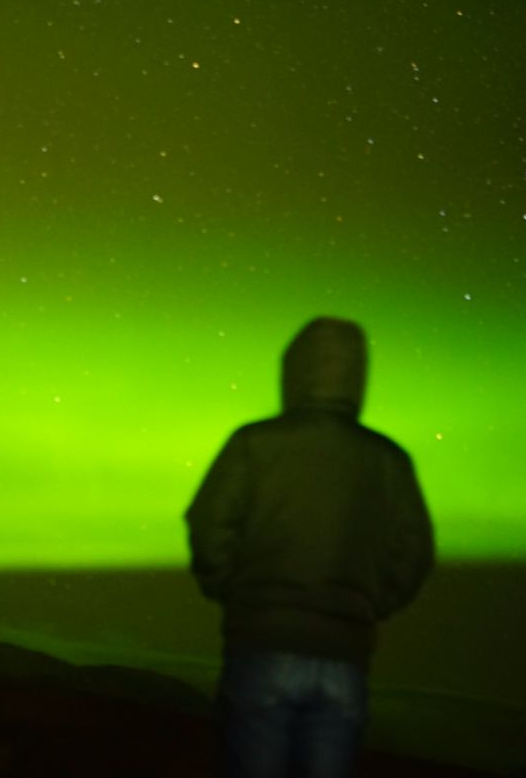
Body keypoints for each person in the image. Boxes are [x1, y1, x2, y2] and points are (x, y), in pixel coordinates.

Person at [184, 316, 433, 778]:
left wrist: (233, 592)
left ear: (293, 372)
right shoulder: (388, 461)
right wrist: (372, 604)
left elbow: (208, 526)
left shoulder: (254, 444)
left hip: (261, 647)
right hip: (345, 658)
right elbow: (415, 552)